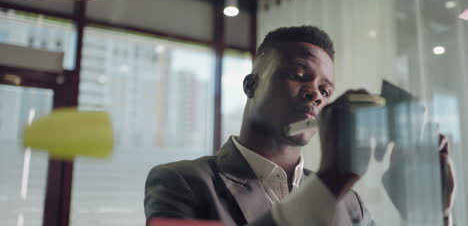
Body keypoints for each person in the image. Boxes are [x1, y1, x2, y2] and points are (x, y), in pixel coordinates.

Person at [144, 26, 454, 226]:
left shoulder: (349, 202)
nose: (315, 94)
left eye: (326, 90)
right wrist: (331, 181)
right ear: (251, 85)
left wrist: (427, 213)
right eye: (298, 76)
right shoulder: (182, 180)